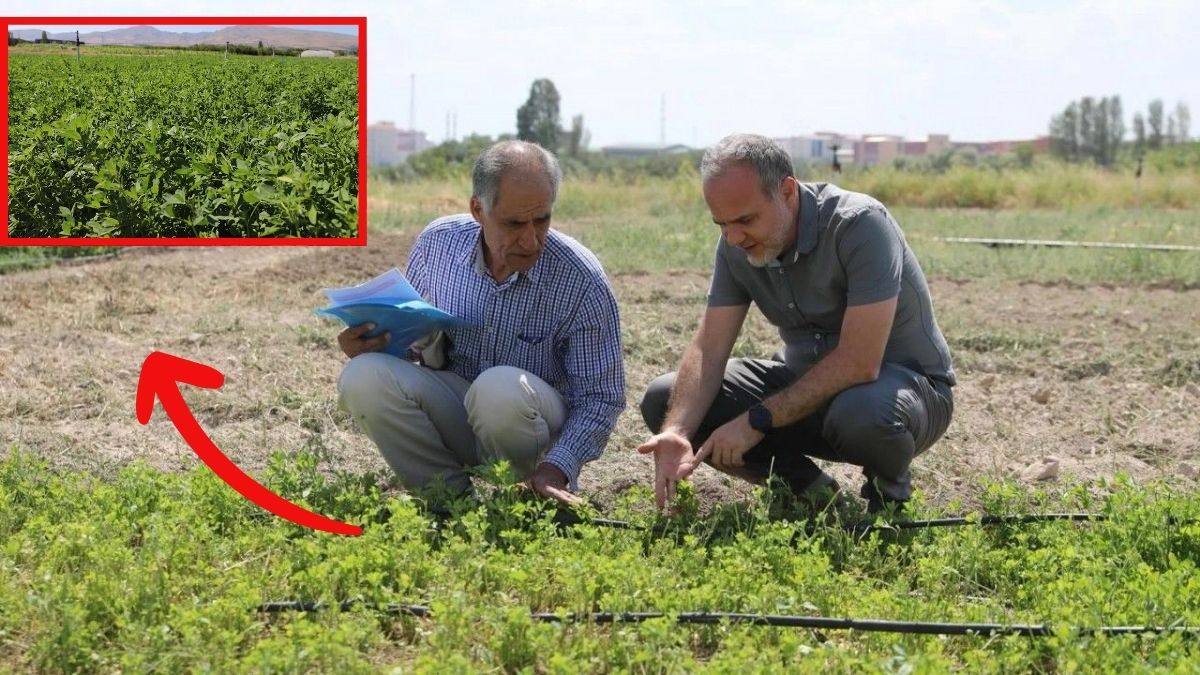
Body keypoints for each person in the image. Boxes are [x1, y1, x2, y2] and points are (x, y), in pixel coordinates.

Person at [638, 134, 954, 514]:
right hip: (809, 393)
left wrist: (756, 419)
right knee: (665, 398)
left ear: (787, 191)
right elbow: (709, 347)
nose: (734, 237)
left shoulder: (860, 225)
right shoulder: (736, 245)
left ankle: (889, 504)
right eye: (721, 224)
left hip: (902, 396)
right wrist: (677, 431)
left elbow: (859, 362)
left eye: (745, 220)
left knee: (861, 411)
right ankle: (810, 494)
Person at [337, 140, 625, 505]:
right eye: (514, 223)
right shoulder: (438, 245)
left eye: (543, 220)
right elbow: (413, 347)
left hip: (529, 425)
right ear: (478, 209)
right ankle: (449, 501)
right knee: (364, 375)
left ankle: (528, 497)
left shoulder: (580, 278)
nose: (531, 239)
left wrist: (558, 466)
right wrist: (370, 345)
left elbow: (601, 397)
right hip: (458, 406)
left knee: (498, 388)